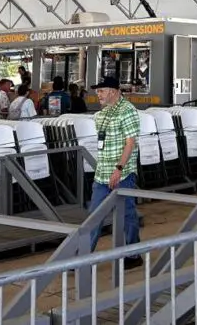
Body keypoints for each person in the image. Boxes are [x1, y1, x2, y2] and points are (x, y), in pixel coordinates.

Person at [86, 76, 142, 268]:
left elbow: (130, 143)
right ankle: (83, 256)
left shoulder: (128, 111)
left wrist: (119, 169)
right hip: (102, 172)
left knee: (126, 214)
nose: (98, 94)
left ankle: (133, 254)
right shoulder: (102, 114)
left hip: (123, 172)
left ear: (112, 91)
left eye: (101, 91)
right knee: (95, 214)